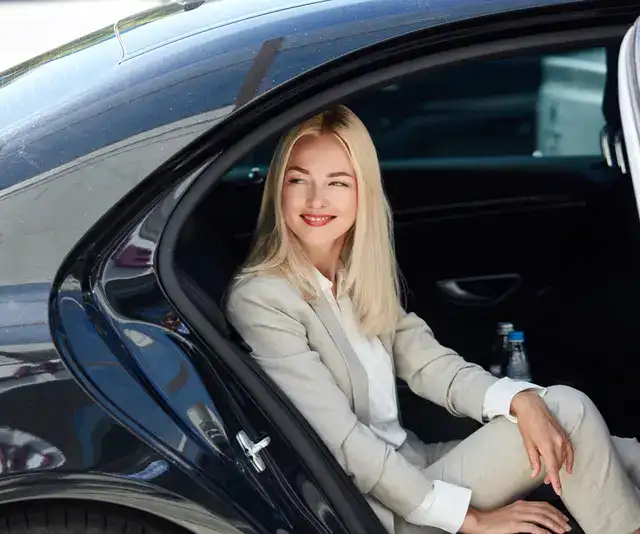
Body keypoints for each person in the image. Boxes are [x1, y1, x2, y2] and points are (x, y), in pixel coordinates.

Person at [225, 105, 640, 534]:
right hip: (382, 507)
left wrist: (517, 399)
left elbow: (430, 366)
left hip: (416, 462)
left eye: (337, 183)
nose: (316, 200)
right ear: (278, 189)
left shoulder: (355, 275)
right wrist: (470, 519)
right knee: (567, 412)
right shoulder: (263, 298)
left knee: (615, 451)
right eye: (298, 180)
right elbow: (343, 442)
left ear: (362, 192)